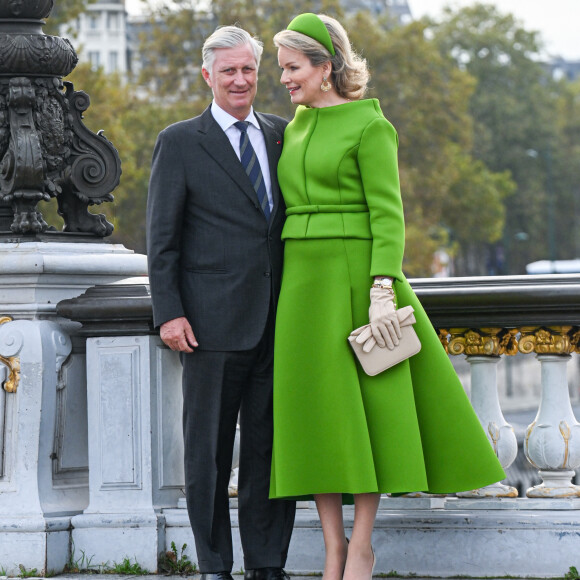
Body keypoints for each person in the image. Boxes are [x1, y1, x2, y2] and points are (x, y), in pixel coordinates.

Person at [270, 13, 506, 580]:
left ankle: (361, 548)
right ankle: (332, 547)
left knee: (369, 413)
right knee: (316, 417)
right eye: (281, 69)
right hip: (301, 283)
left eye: (292, 67)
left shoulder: (371, 126)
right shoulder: (292, 127)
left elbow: (389, 215)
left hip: (356, 279)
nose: (282, 78)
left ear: (325, 67)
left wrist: (382, 287)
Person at [146, 25, 295, 580]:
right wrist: (169, 311)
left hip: (279, 322)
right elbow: (162, 239)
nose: (239, 79)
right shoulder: (181, 141)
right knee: (207, 456)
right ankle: (214, 566)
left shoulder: (285, 135)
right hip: (207, 326)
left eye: (248, 69)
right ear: (207, 76)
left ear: (260, 74)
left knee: (270, 452)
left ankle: (266, 565)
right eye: (228, 70)